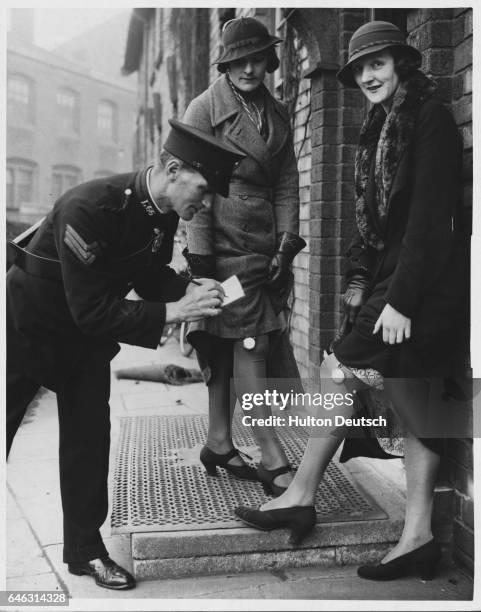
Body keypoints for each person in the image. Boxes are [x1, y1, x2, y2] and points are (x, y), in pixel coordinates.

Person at [235, 21, 469, 581]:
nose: (367, 75)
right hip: (394, 281)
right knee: (413, 398)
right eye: (360, 68)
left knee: (343, 370)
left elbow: (431, 221)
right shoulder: (378, 126)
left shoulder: (429, 118)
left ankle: (305, 495)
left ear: (402, 64)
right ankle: (415, 537)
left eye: (378, 64)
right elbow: (375, 226)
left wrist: (402, 301)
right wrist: (363, 284)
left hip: (423, 286)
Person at [6, 119, 245, 590]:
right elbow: (93, 309)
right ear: (172, 170)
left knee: (88, 440)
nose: (207, 202)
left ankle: (84, 553)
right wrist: (176, 310)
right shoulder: (89, 207)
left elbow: (147, 274)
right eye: (203, 188)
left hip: (84, 336)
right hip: (29, 327)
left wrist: (187, 287)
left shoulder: (163, 211)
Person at [181, 16, 306, 496]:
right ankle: (272, 455)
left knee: (228, 340)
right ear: (226, 63)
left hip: (264, 253)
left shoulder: (277, 110)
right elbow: (192, 187)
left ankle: (218, 441)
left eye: (258, 58)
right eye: (241, 60)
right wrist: (201, 261)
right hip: (223, 251)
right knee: (250, 341)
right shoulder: (204, 109)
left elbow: (288, 183)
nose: (251, 68)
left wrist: (286, 244)